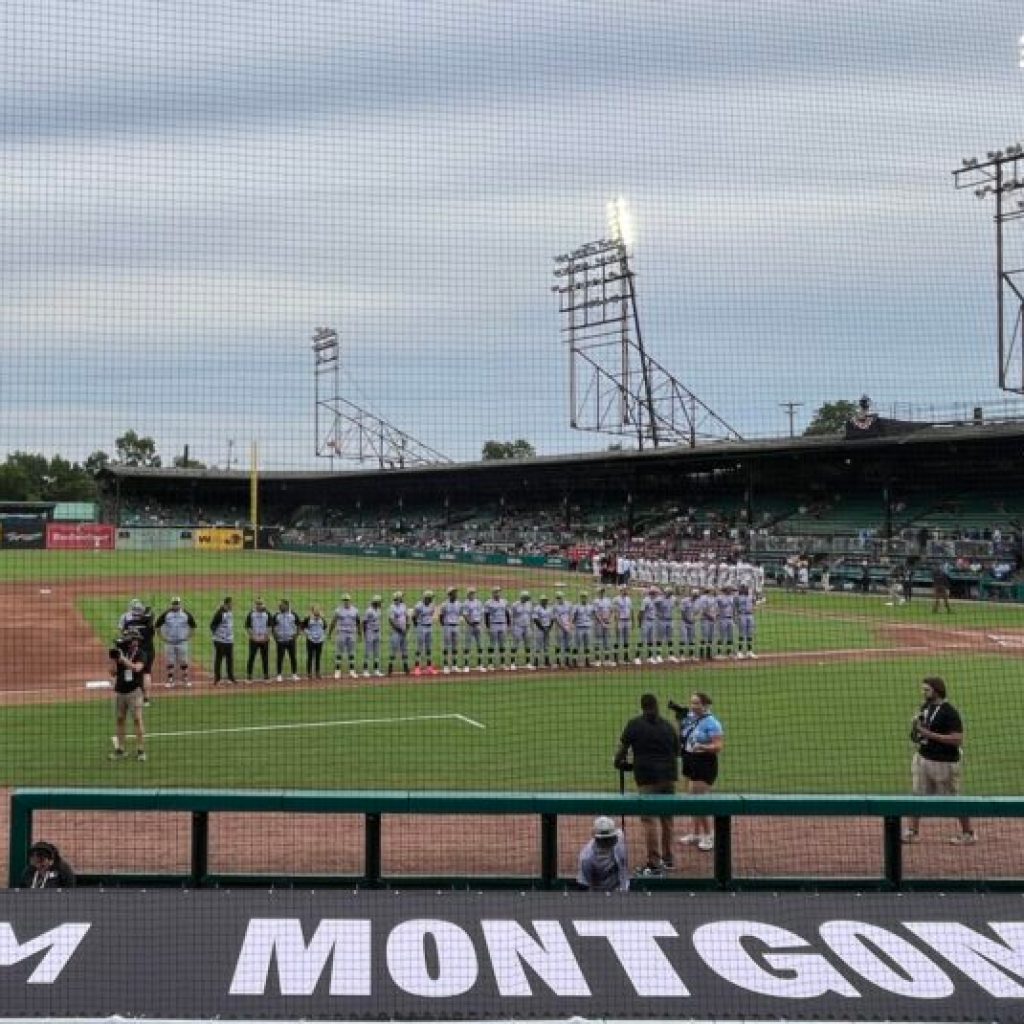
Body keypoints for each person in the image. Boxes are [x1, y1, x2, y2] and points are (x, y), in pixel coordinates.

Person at [614, 693, 680, 876]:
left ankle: (653, 863)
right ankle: (668, 859)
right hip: (668, 777)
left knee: (649, 820)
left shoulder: (634, 724)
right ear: (657, 706)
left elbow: (622, 750)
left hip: (647, 778)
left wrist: (619, 762)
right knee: (667, 819)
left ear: (642, 706)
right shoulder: (667, 726)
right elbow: (677, 751)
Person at [903, 677, 975, 845]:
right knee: (917, 796)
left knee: (954, 799)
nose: (923, 693)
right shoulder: (925, 707)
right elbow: (919, 734)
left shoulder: (950, 712)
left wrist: (929, 735)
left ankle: (968, 833)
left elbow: (957, 739)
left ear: (937, 690)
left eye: (926, 690)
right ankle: (913, 832)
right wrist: (916, 730)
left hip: (945, 763)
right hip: (923, 759)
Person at [670, 692, 724, 852]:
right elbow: (683, 735)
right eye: (692, 703)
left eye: (697, 703)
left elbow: (719, 746)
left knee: (699, 800)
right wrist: (679, 719)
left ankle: (708, 835)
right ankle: (695, 833)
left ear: (706, 705)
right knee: (691, 799)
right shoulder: (690, 718)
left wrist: (703, 747)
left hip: (704, 763)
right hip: (689, 761)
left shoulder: (712, 723)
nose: (693, 706)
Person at [109, 625, 147, 761]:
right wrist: (113, 659)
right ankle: (120, 750)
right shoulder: (120, 651)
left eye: (135, 639)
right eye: (132, 639)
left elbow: (137, 668)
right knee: (120, 720)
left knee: (137, 719)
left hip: (135, 691)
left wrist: (123, 660)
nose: (134, 641)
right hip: (120, 691)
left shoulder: (141, 653)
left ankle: (141, 750)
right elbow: (112, 672)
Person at [576, 816, 629, 892]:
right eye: (605, 839)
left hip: (623, 890)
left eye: (611, 838)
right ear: (596, 839)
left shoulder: (620, 838)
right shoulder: (587, 858)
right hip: (600, 895)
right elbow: (584, 885)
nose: (608, 841)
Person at [118, 598, 155, 705]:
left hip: (133, 651)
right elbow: (152, 633)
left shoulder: (129, 622)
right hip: (148, 650)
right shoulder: (149, 625)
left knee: (131, 672)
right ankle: (146, 699)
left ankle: (130, 697)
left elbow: (123, 635)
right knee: (147, 673)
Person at [154, 596, 196, 689]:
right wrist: (162, 637)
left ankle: (185, 679)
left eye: (177, 603)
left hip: (182, 642)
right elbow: (157, 626)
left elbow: (193, 626)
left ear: (180, 604)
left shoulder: (186, 614)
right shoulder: (166, 614)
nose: (175, 605)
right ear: (171, 604)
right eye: (174, 604)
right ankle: (170, 680)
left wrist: (188, 637)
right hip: (170, 642)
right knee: (170, 661)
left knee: (184, 661)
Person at [329, 594, 360, 679]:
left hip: (351, 634)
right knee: (339, 653)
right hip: (341, 633)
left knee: (351, 653)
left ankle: (352, 671)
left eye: (347, 600)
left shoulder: (355, 610)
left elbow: (358, 622)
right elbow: (333, 622)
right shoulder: (338, 610)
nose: (346, 601)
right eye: (344, 600)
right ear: (342, 601)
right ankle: (337, 671)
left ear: (350, 600)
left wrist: (360, 633)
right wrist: (330, 633)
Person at [210, 596, 237, 685]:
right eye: (231, 603)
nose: (232, 605)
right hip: (220, 641)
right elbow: (212, 626)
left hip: (229, 641)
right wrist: (218, 636)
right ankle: (217, 678)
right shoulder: (220, 613)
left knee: (230, 660)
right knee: (219, 659)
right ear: (227, 604)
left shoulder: (230, 612)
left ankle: (230, 677)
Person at [271, 598, 300, 681]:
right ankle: (279, 675)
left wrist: (296, 635)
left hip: (291, 640)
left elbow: (299, 625)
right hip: (280, 641)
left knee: (293, 657)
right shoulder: (277, 615)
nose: (279, 606)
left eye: (281, 605)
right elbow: (272, 627)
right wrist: (275, 636)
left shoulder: (293, 615)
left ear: (286, 605)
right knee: (280, 658)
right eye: (279, 605)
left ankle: (294, 674)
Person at [244, 597, 271, 683]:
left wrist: (266, 637)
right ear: (255, 605)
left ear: (263, 604)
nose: (259, 606)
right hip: (254, 640)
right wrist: (253, 637)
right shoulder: (251, 614)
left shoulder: (267, 614)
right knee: (251, 657)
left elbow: (270, 626)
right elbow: (248, 627)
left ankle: (266, 676)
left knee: (265, 658)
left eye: (261, 604)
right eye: (258, 604)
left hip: (264, 640)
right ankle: (249, 676)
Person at [302, 605, 327, 678]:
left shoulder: (322, 619)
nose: (317, 611)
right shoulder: (308, 618)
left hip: (319, 641)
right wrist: (308, 634)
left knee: (318, 657)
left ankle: (317, 673)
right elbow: (302, 626)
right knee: (310, 657)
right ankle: (309, 673)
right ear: (312, 611)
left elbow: (325, 628)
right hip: (310, 640)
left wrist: (322, 636)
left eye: (318, 610)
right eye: (316, 610)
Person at [362, 595, 384, 677]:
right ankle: (365, 670)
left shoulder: (378, 610)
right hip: (370, 632)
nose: (381, 604)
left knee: (377, 653)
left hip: (377, 633)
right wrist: (365, 634)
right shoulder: (369, 611)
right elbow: (364, 622)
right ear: (376, 602)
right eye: (379, 602)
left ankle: (376, 670)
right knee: (367, 653)